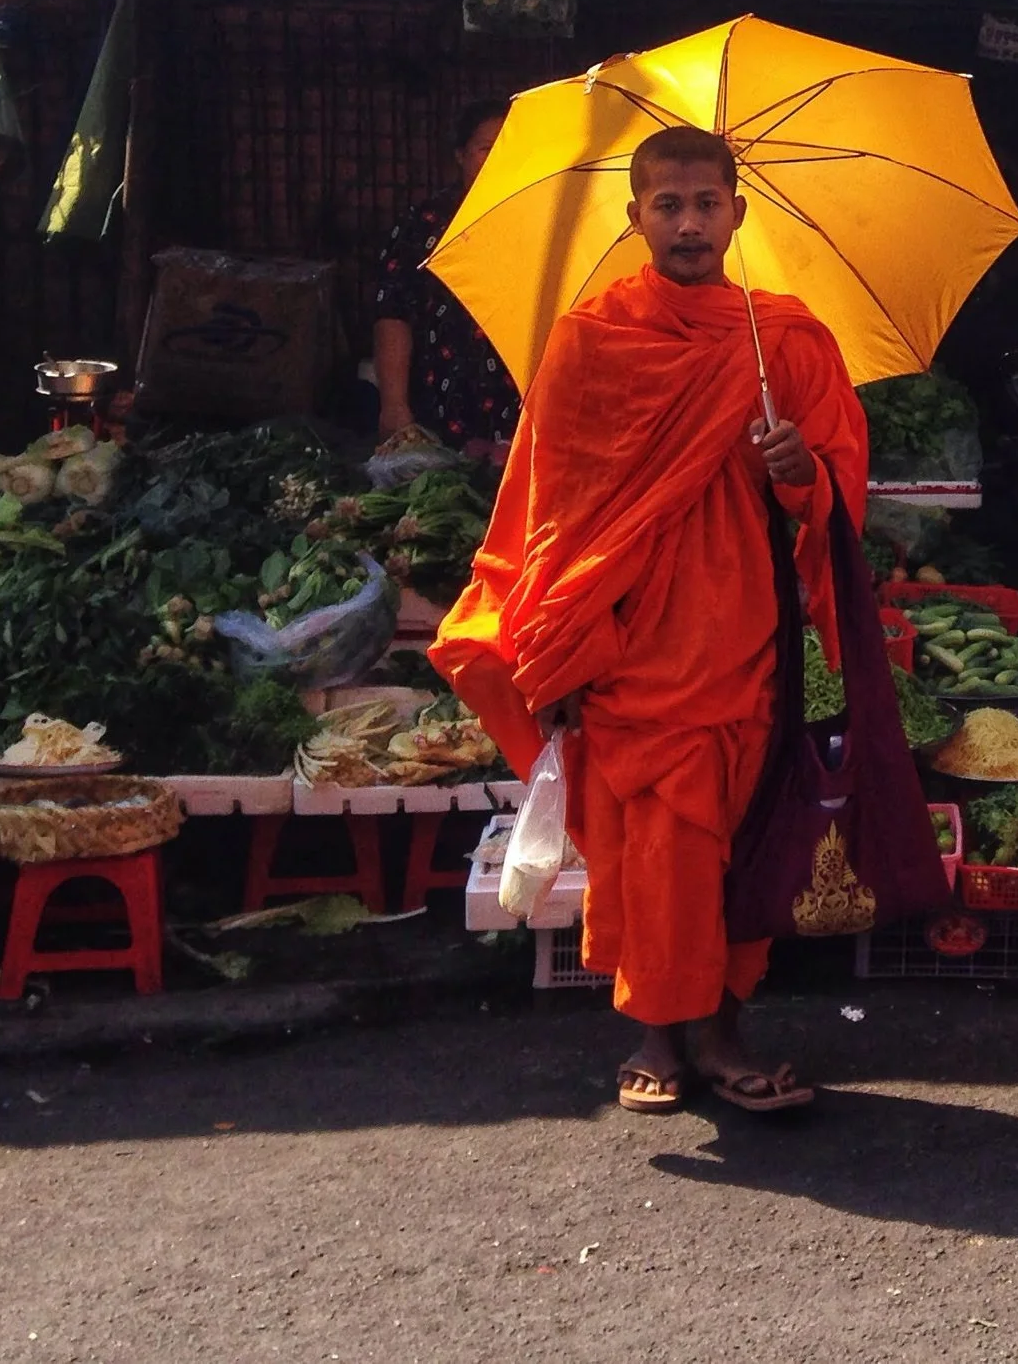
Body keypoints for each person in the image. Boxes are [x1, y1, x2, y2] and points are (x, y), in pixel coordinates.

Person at [432, 126, 867, 1117]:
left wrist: (797, 472)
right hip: (632, 639)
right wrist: (565, 638)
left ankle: (724, 1031)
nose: (687, 224)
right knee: (650, 847)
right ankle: (655, 1033)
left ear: (736, 213)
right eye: (666, 206)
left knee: (734, 840)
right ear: (635, 219)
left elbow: (837, 484)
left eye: (705, 204)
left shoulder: (785, 339)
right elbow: (552, 502)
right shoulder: (593, 339)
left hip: (742, 632)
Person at [371, 110, 521, 456]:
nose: (498, 158)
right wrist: (394, 404)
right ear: (460, 155)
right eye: (486, 148)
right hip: (441, 405)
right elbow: (393, 311)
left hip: (521, 413)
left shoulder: (542, 222)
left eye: (508, 147)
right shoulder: (424, 223)